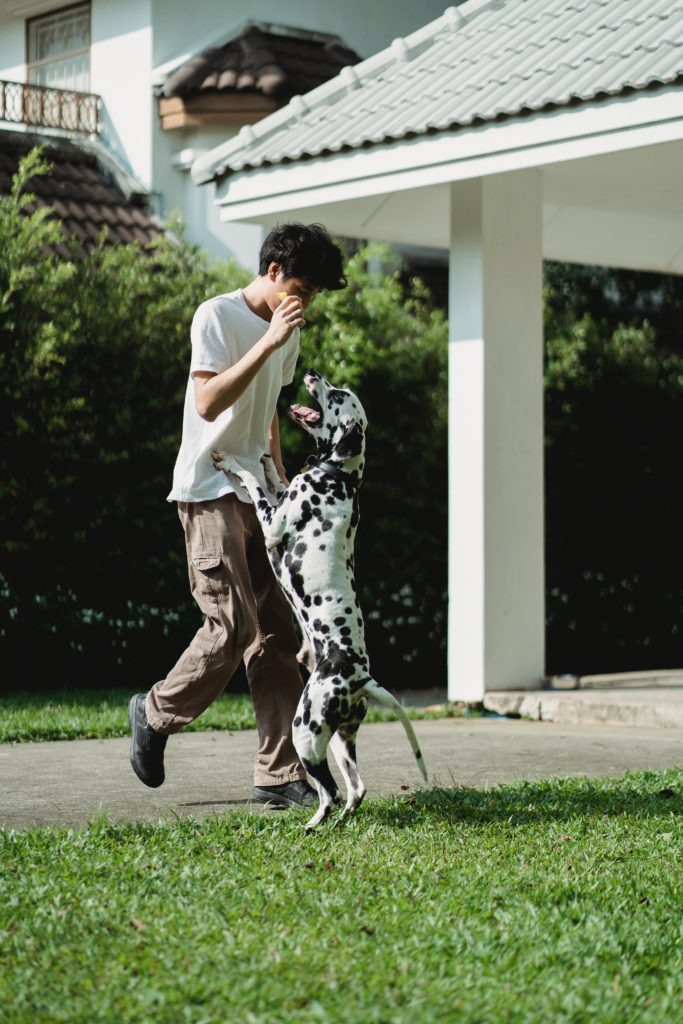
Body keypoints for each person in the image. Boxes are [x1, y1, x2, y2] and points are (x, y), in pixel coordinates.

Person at [128, 222, 347, 808]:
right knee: (232, 627)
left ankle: (279, 774)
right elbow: (207, 400)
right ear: (273, 273)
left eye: (314, 294)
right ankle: (154, 713)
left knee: (279, 634)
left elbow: (268, 412)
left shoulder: (287, 330)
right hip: (208, 488)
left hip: (259, 493)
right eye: (302, 287)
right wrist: (269, 341)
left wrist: (281, 483)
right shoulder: (217, 317)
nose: (305, 302)